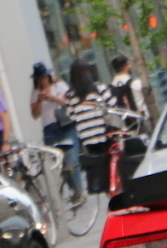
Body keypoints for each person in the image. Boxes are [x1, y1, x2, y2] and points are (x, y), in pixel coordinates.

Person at [30, 62, 85, 202]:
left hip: (65, 126)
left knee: (71, 159)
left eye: (44, 77)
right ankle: (73, 190)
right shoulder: (35, 93)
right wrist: (39, 101)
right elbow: (35, 115)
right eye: (39, 78)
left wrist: (53, 98)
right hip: (49, 129)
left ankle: (79, 190)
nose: (42, 80)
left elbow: (68, 103)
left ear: (48, 76)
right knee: (59, 163)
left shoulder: (59, 86)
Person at [67, 59, 111, 194]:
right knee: (109, 160)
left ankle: (102, 187)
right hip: (104, 132)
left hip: (87, 137)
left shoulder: (71, 95)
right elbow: (112, 104)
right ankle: (112, 186)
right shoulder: (99, 88)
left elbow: (71, 116)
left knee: (97, 162)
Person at [109, 54, 149, 134]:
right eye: (129, 64)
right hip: (140, 122)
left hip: (125, 128)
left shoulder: (110, 88)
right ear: (125, 66)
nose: (130, 67)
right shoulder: (135, 83)